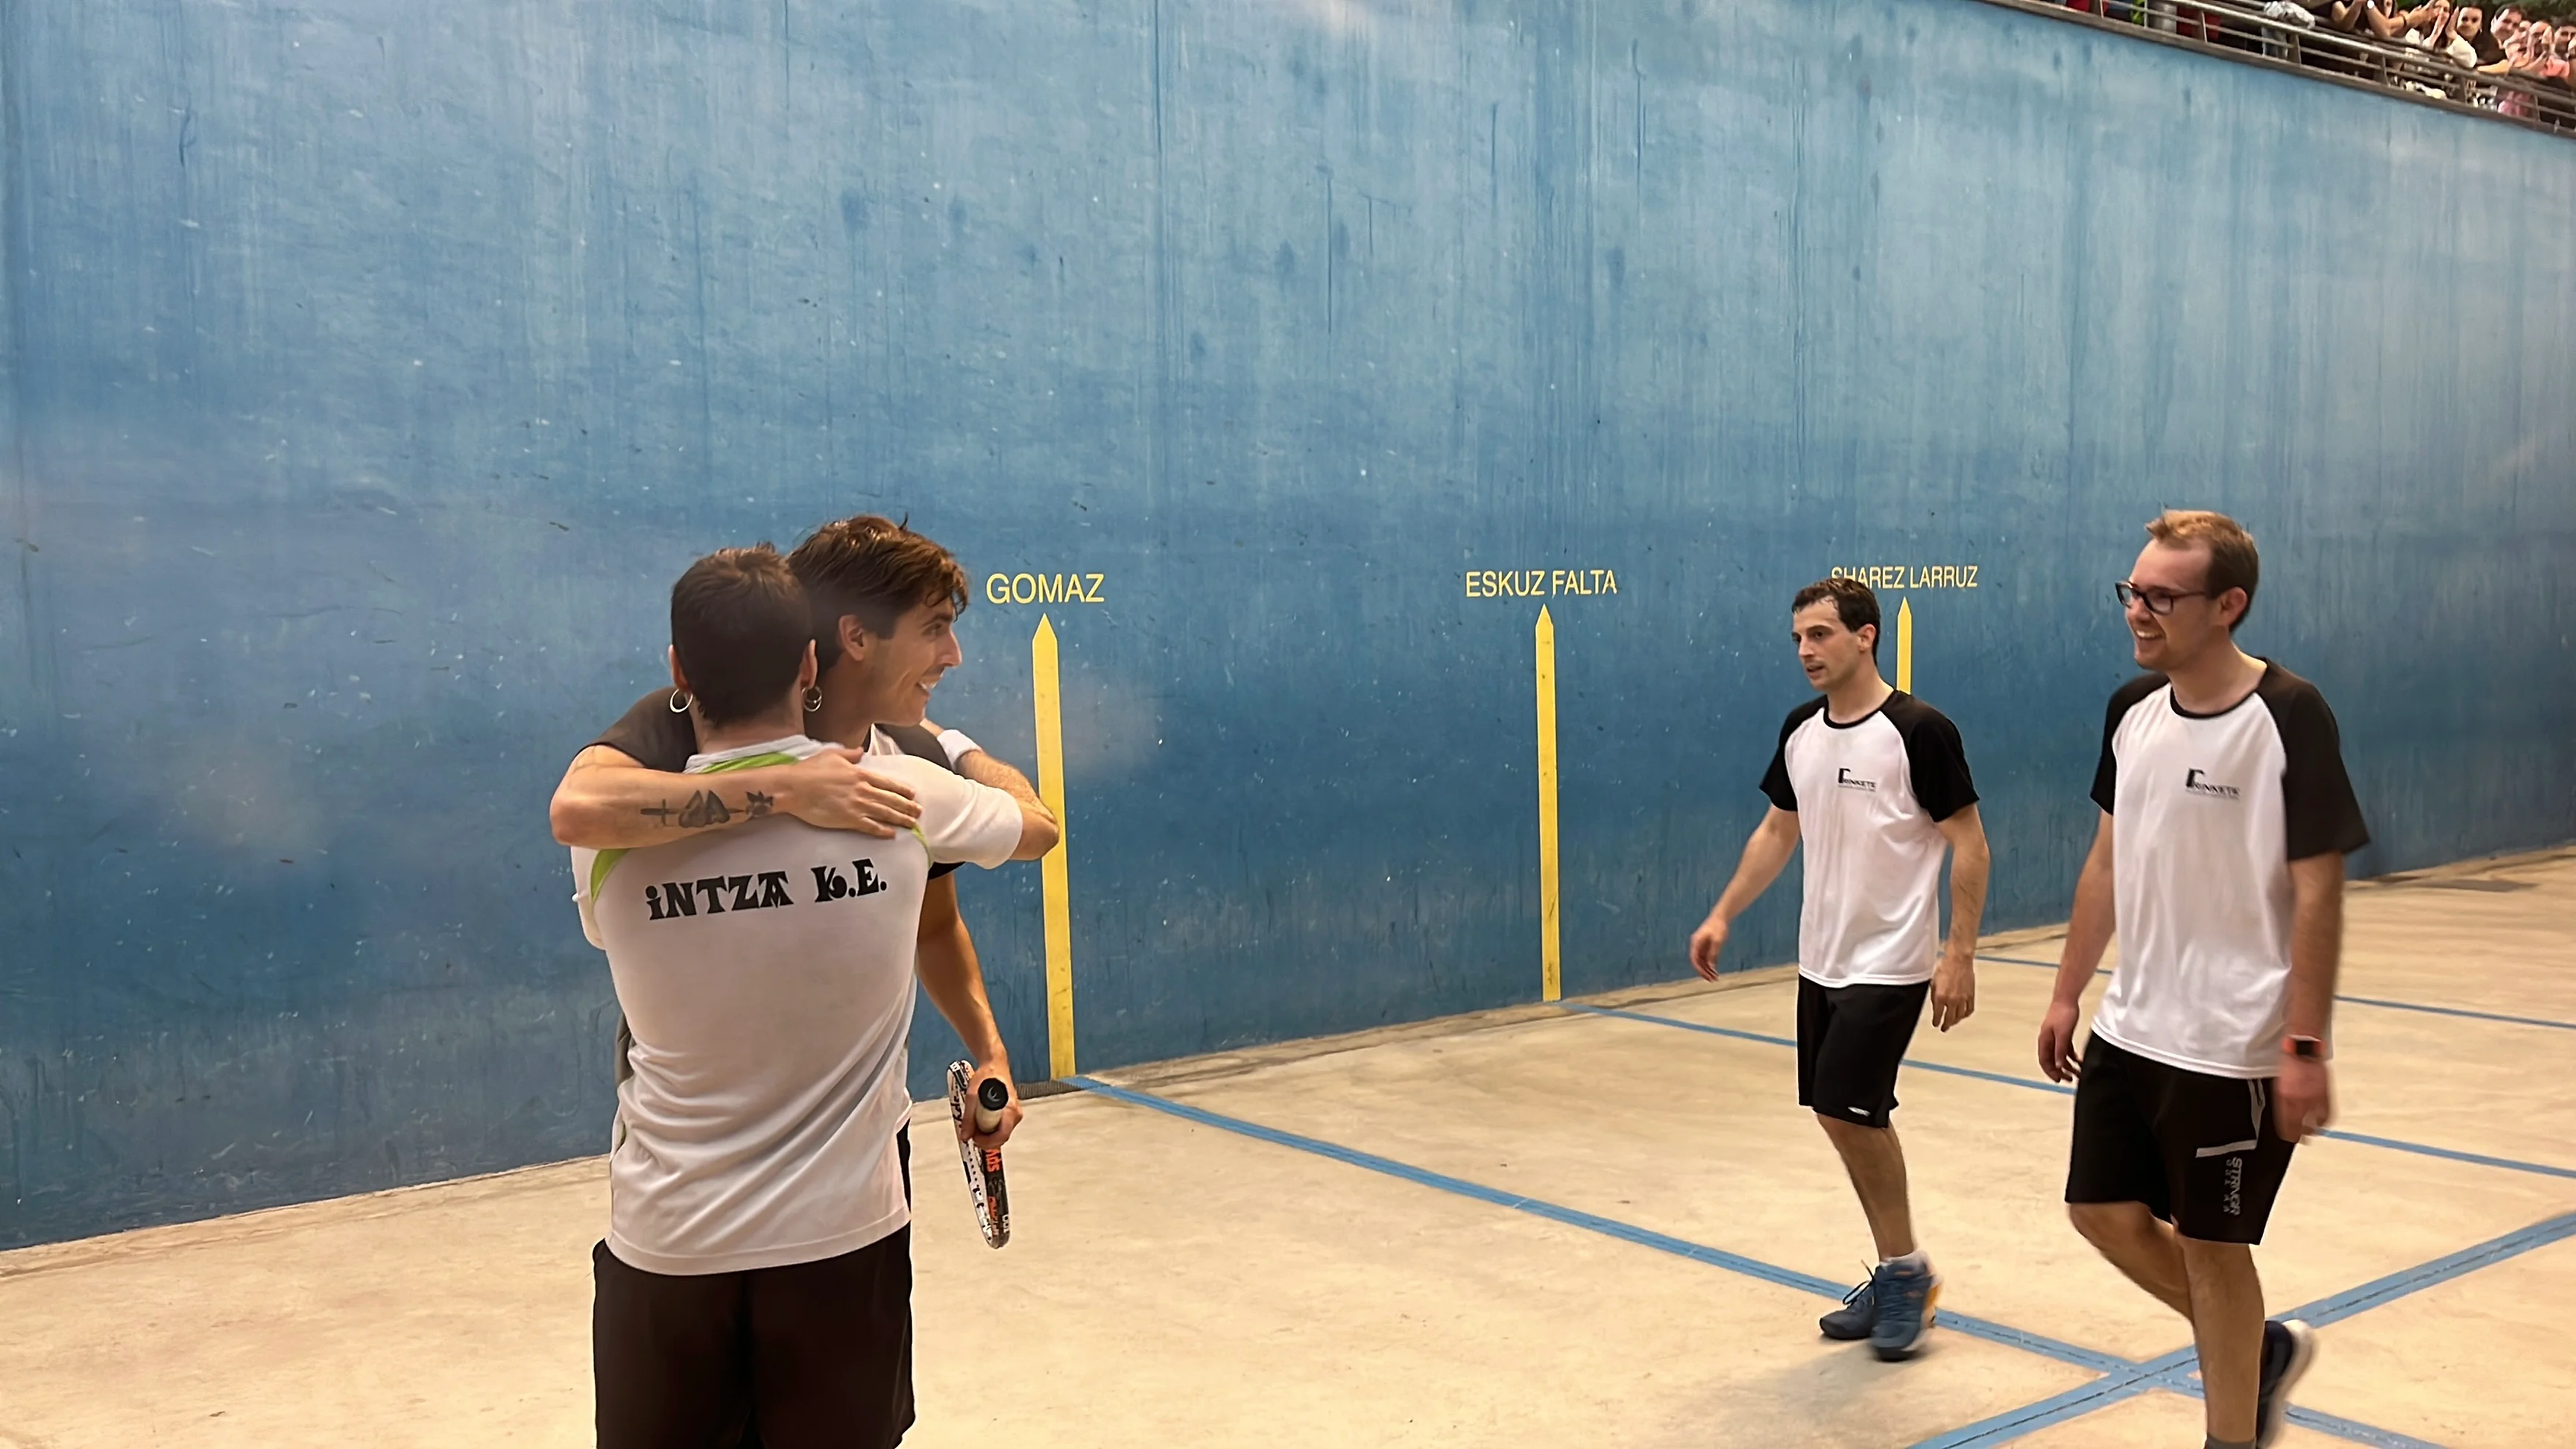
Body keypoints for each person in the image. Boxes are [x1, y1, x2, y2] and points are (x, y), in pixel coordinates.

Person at [579, 546, 1057, 1449]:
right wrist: (961, 752)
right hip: (843, 1246)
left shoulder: (608, 833)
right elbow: (1038, 828)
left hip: (665, 1247)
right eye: (937, 629)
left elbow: (595, 852)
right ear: (812, 660)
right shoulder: (910, 795)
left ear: (679, 671)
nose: (951, 653)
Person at [551, 515, 1053, 1150]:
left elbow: (935, 925)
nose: (953, 655)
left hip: (857, 1154)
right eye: (933, 628)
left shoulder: (914, 759)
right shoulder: (683, 721)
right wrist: (790, 789)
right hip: (697, 1125)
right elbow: (577, 809)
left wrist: (991, 1055)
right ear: (852, 638)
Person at [2036, 511, 2368, 1449]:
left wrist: (2304, 1045)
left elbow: (2317, 890)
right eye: (2131, 591)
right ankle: (2254, 1352)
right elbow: (2106, 861)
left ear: (2228, 605)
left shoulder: (2290, 715)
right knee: (2099, 1213)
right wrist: (2065, 991)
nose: (2137, 612)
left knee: (2215, 1251)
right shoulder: (2130, 711)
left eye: (2161, 597)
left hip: (2236, 1045)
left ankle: (2231, 1433)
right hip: (2132, 1025)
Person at [1688, 577, 1990, 1363]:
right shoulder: (1801, 730)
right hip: (1820, 959)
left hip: (1890, 962)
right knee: (1836, 1113)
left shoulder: (1918, 731)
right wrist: (1723, 913)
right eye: (1797, 638)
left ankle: (1907, 1275)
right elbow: (1776, 831)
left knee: (1851, 1112)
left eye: (1820, 635)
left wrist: (1958, 954)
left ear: (1865, 636)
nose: (1805, 651)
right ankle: (1896, 1270)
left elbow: (1969, 842)